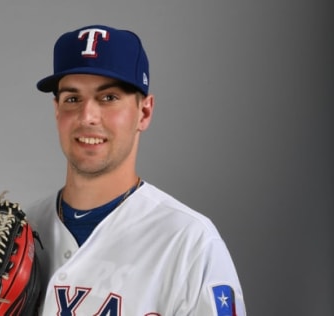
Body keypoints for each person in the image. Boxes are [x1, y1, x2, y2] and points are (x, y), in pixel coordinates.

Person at [26, 24, 246, 315]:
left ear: (144, 112)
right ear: (57, 110)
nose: (87, 116)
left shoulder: (190, 242)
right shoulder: (23, 230)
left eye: (108, 98)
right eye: (72, 98)